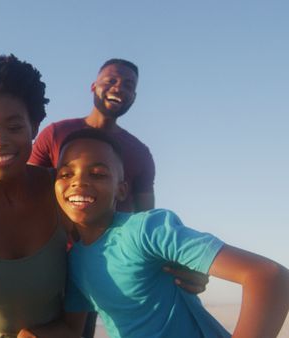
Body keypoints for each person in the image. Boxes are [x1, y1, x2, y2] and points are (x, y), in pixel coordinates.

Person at [0, 54, 209, 338]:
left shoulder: (61, 192)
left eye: (14, 127)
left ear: (34, 126)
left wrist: (175, 265)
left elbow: (124, 235)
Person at [54, 129, 289, 338]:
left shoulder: (145, 230)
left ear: (122, 190)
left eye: (97, 174)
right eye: (65, 174)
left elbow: (270, 276)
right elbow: (73, 331)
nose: (78, 182)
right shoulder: (75, 260)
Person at [29, 58, 154, 212]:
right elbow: (26, 186)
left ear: (133, 97)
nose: (118, 88)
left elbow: (147, 215)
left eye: (128, 85)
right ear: (93, 87)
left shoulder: (140, 153)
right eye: (111, 81)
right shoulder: (55, 133)